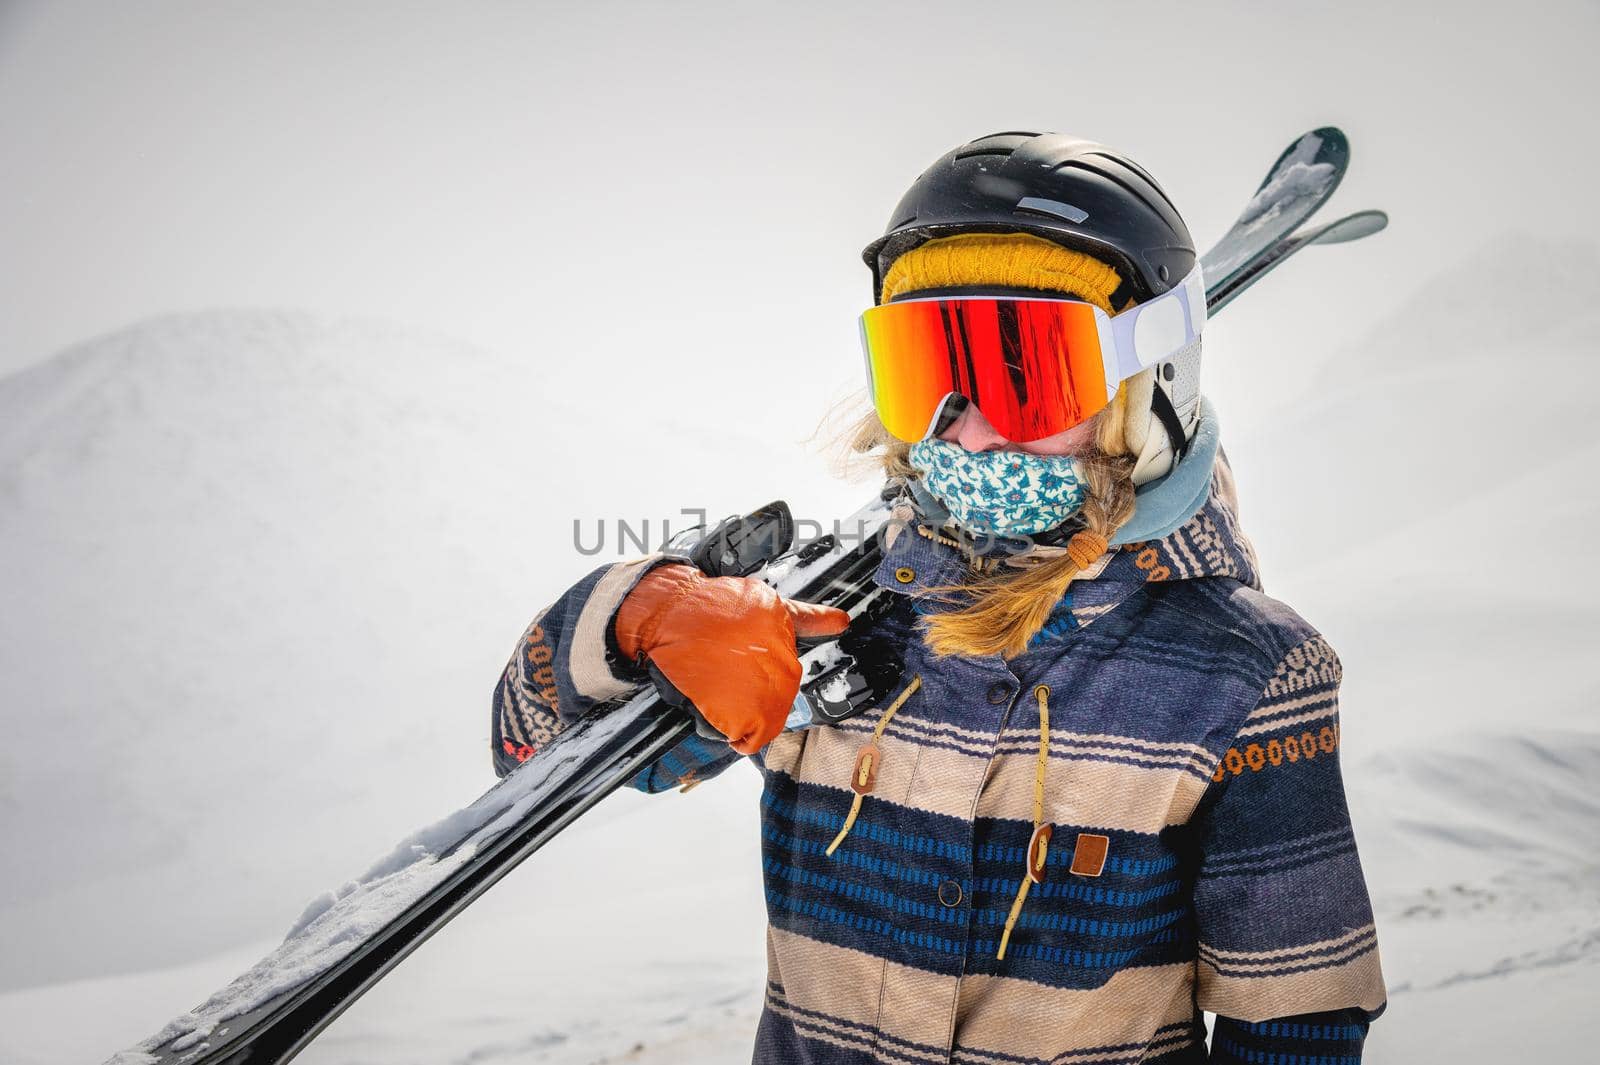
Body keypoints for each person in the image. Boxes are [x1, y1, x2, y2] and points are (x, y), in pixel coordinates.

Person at [491, 131, 1387, 1063]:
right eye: (931, 373)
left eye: (1028, 375)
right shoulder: (823, 617)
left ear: (1144, 388)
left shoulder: (1245, 674)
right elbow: (530, 754)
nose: (971, 429)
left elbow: (1295, 1016)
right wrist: (634, 620)